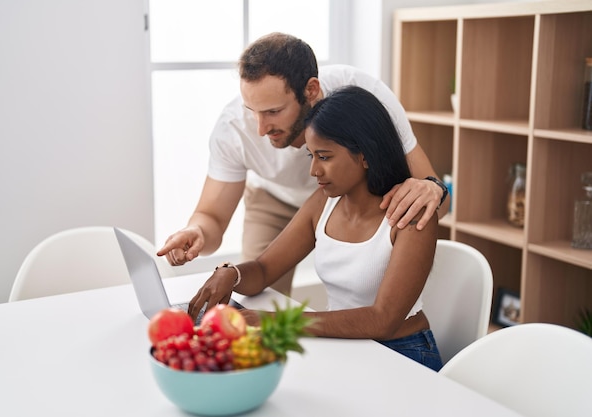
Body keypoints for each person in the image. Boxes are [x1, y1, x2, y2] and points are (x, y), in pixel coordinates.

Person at [157, 32, 449, 296]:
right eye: (252, 111)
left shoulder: (365, 100)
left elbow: (437, 200)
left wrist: (432, 190)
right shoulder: (232, 128)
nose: (260, 128)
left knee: (371, 293)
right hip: (273, 197)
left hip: (353, 200)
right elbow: (213, 218)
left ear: (311, 90)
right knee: (258, 296)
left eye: (273, 111)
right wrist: (196, 232)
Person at [187, 86, 443, 371]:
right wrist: (231, 274)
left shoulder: (411, 214)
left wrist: (276, 321)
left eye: (325, 156)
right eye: (312, 156)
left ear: (365, 155)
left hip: (404, 354)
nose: (314, 171)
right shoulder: (323, 203)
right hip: (344, 345)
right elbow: (263, 270)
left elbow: (383, 320)